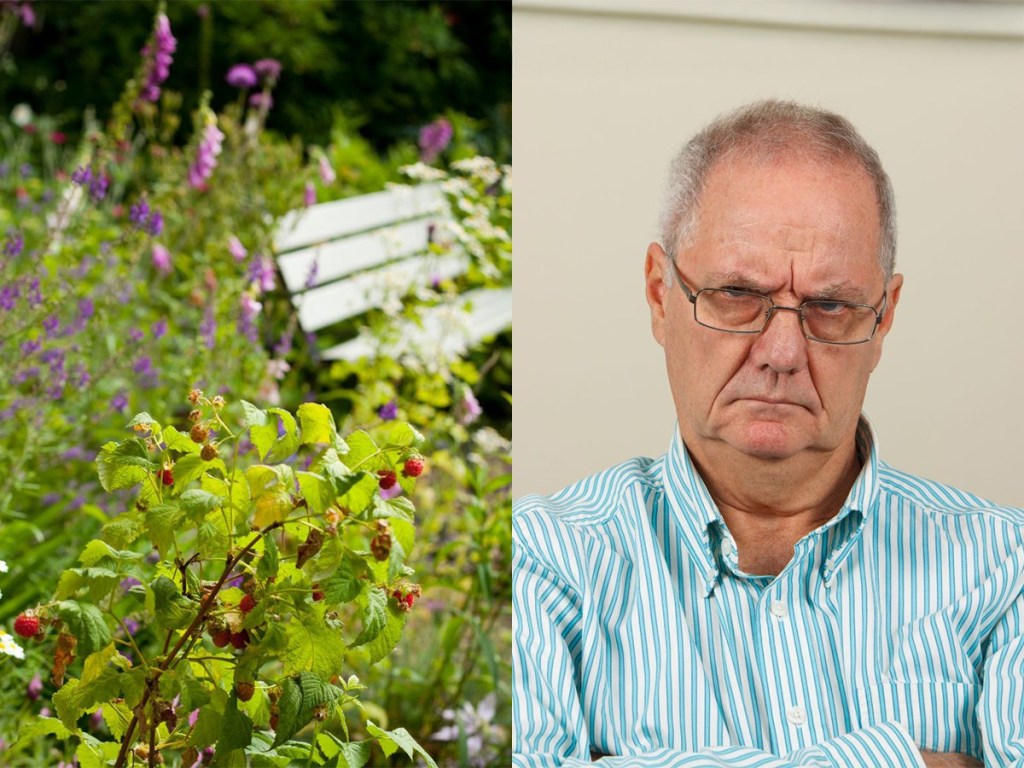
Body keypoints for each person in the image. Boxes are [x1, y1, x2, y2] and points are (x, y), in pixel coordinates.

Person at [512, 99, 1024, 768]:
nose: (781, 351)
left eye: (831, 305)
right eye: (736, 294)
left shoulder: (1006, 567)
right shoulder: (545, 562)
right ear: (660, 294)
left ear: (885, 317)